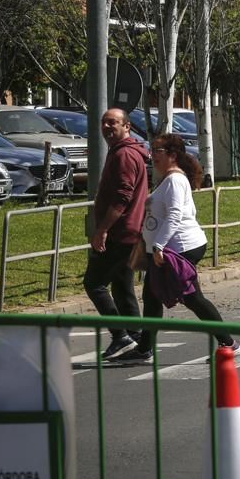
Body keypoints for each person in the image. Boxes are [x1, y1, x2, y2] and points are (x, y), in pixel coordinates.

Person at [113, 133, 240, 362]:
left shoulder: (174, 180)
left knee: (192, 297)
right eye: (152, 150)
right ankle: (144, 349)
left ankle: (229, 343)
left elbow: (175, 215)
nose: (153, 156)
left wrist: (160, 245)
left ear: (172, 155)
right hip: (167, 248)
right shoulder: (168, 179)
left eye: (158, 151)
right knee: (152, 296)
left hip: (178, 248)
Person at [85, 108, 149, 361]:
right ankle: (135, 339)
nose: (107, 127)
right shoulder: (124, 152)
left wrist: (102, 230)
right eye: (104, 123)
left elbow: (123, 196)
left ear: (126, 127)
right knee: (123, 287)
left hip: (121, 233)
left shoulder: (123, 155)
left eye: (113, 123)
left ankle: (120, 335)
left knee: (94, 283)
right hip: (130, 232)